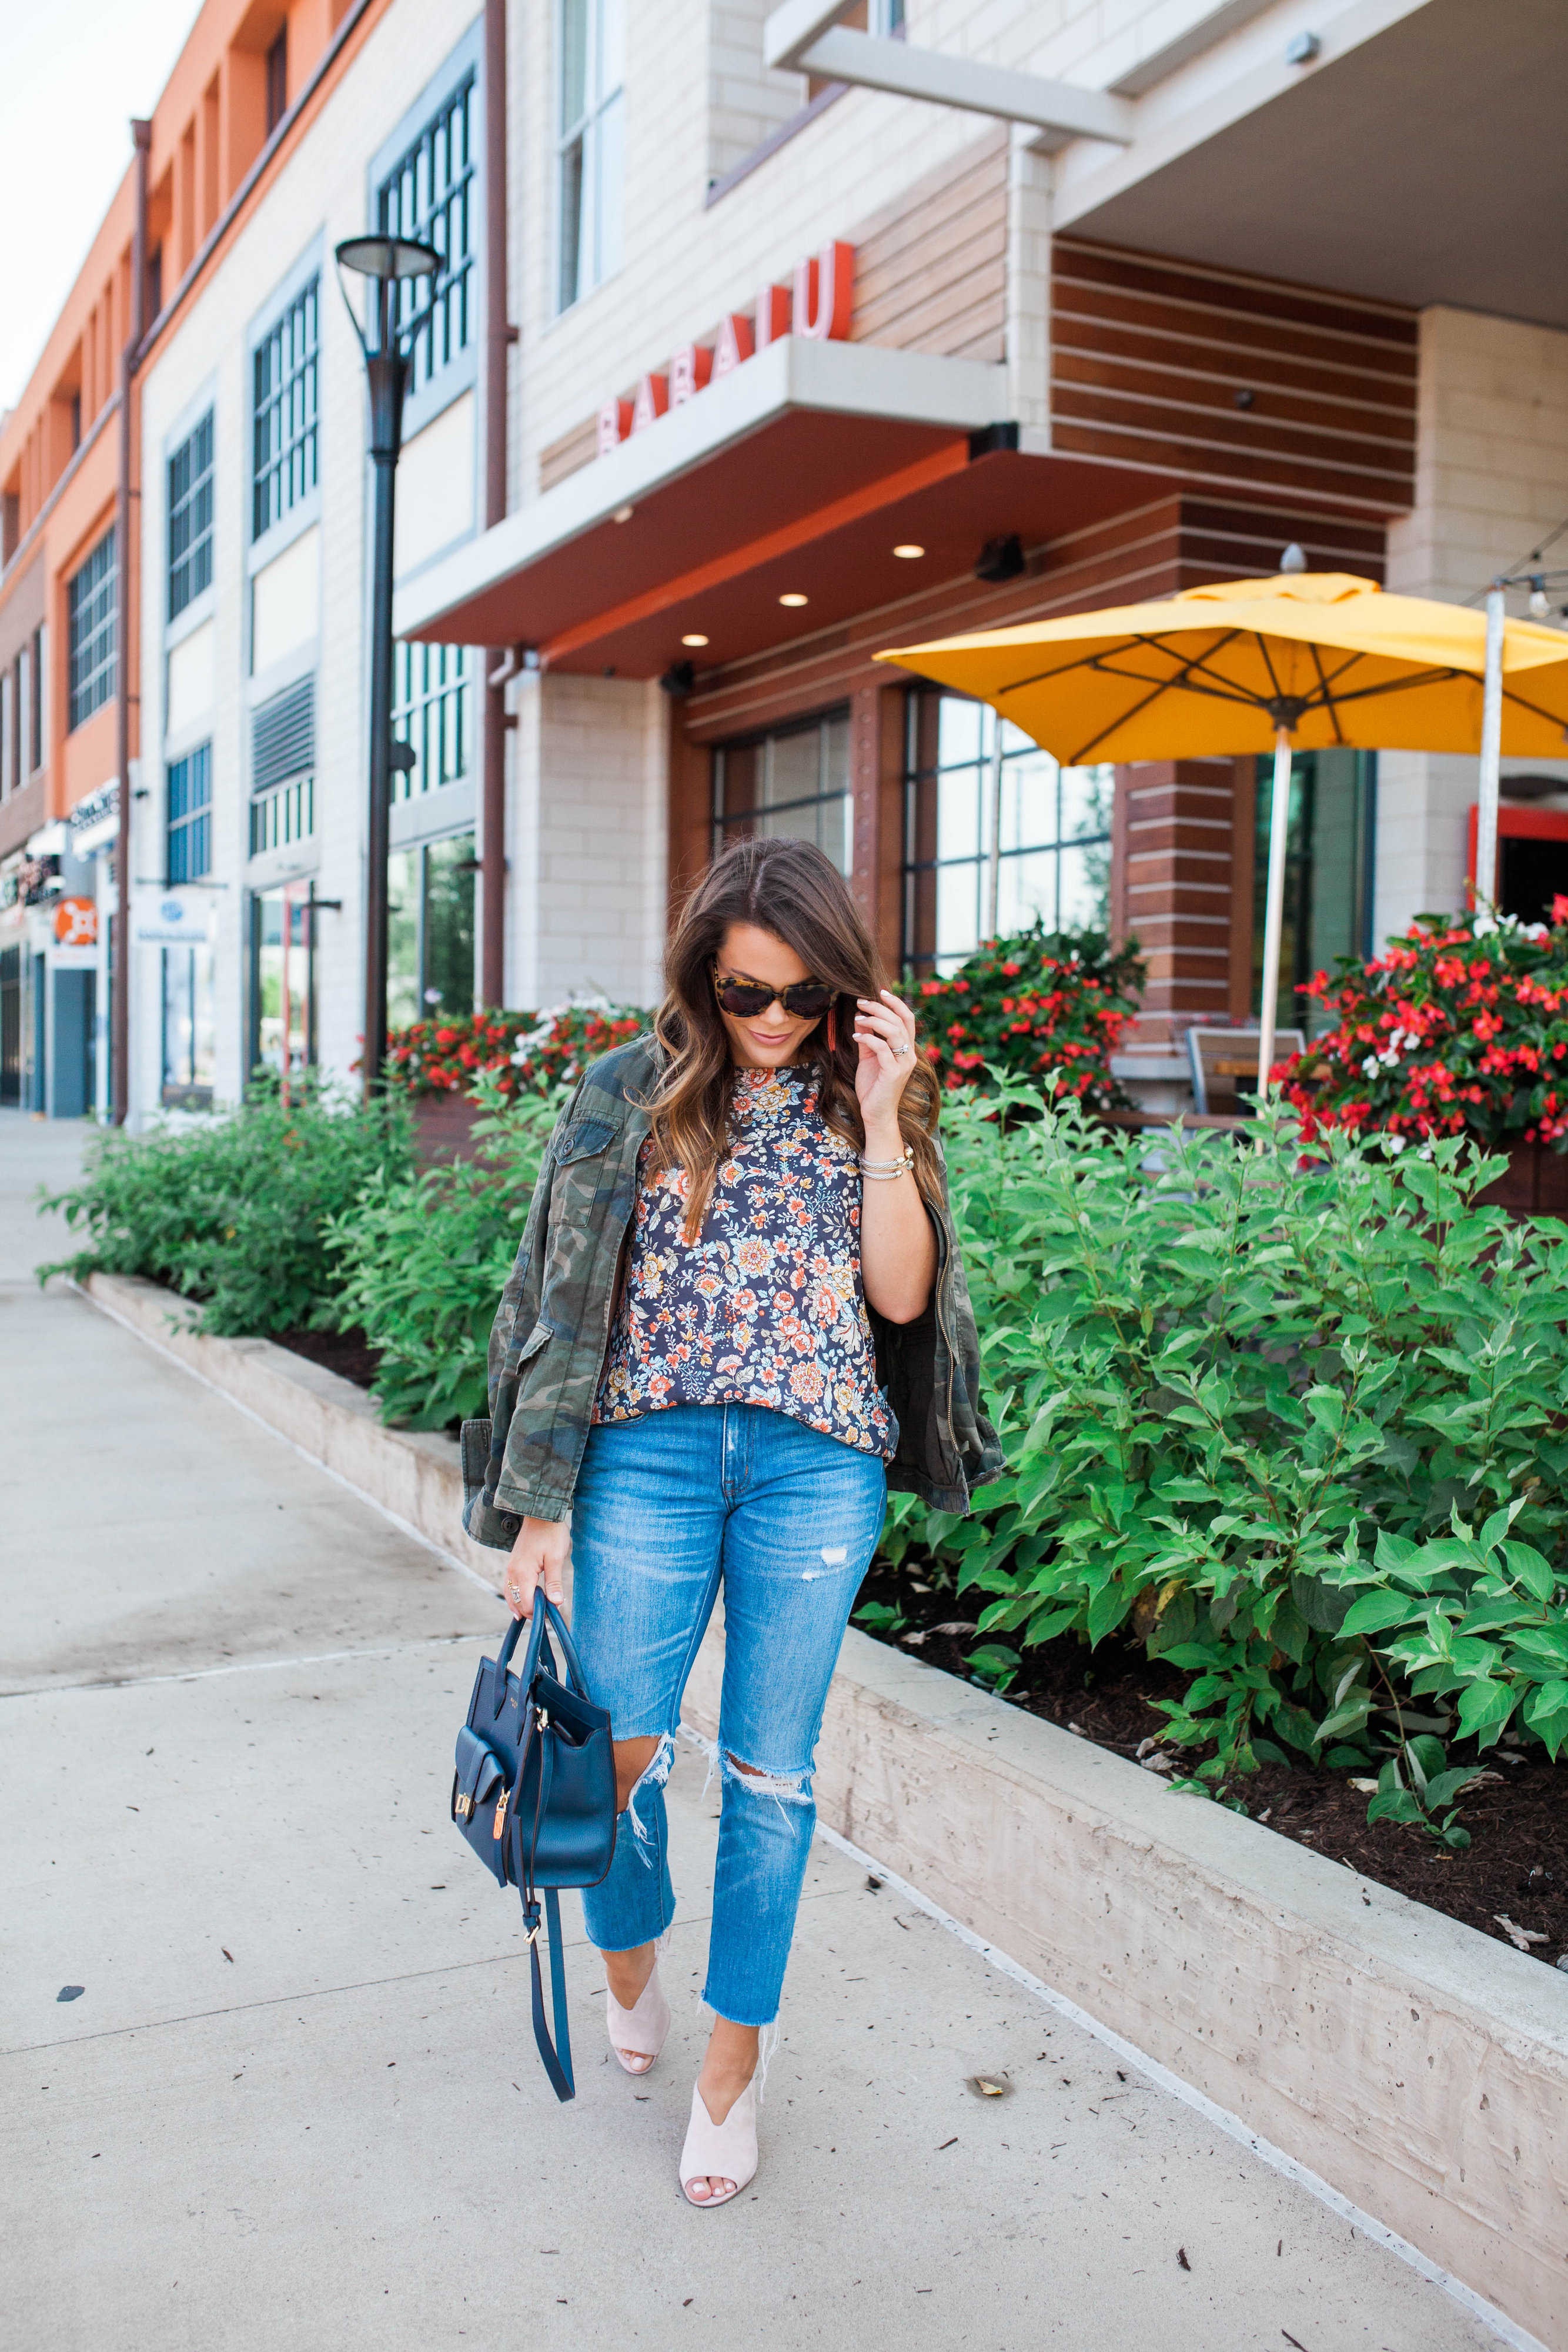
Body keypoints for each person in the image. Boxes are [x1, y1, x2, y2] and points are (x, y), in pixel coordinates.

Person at [481, 835, 1001, 2206]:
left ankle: (731, 2063)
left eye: (798, 996)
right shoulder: (626, 1092)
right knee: (617, 1751)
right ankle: (633, 1938)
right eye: (741, 993)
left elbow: (899, 1303)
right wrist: (533, 1505)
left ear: (840, 988)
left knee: (770, 1773)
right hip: (644, 1456)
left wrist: (885, 1116)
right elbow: (548, 1297)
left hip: (812, 1467)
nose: (769, 1023)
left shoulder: (862, 1095)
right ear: (700, 978)